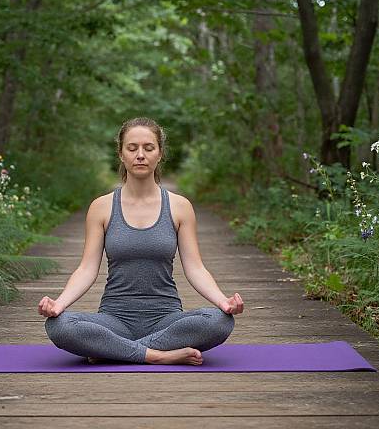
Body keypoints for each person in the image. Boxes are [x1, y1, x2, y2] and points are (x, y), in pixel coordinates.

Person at [39, 117, 244, 366]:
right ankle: (158, 356)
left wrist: (223, 302)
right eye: (132, 148)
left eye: (149, 148)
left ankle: (112, 351)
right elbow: (86, 269)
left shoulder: (180, 207)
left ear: (160, 154)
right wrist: (59, 304)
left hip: (167, 320)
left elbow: (195, 268)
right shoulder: (101, 207)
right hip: (114, 320)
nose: (140, 155)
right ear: (121, 154)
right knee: (58, 326)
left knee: (220, 321)